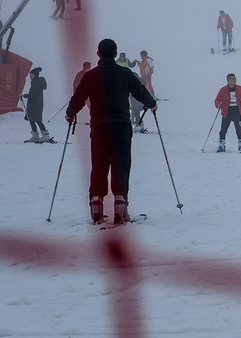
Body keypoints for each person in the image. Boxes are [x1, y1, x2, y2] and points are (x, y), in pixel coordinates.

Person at [65, 38, 157, 224]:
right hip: (121, 128)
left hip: (99, 128)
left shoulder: (90, 76)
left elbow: (78, 98)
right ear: (115, 54)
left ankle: (96, 208)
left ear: (98, 54)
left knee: (99, 166)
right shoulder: (125, 73)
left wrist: (70, 113)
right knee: (120, 166)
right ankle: (120, 209)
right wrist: (152, 104)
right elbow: (140, 91)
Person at [214, 73, 241, 152]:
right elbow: (217, 99)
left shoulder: (239, 88)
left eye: (235, 79)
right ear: (228, 80)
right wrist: (218, 105)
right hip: (227, 111)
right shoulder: (223, 90)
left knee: (239, 129)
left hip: (236, 110)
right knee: (223, 129)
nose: (235, 80)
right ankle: (221, 145)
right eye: (233, 79)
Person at [23, 67, 49, 143]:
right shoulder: (36, 82)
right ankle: (36, 136)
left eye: (31, 74)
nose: (30, 76)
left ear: (34, 75)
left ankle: (45, 136)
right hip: (36, 104)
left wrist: (24, 95)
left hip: (35, 105)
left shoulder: (36, 82)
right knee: (32, 119)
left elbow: (32, 94)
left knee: (37, 120)